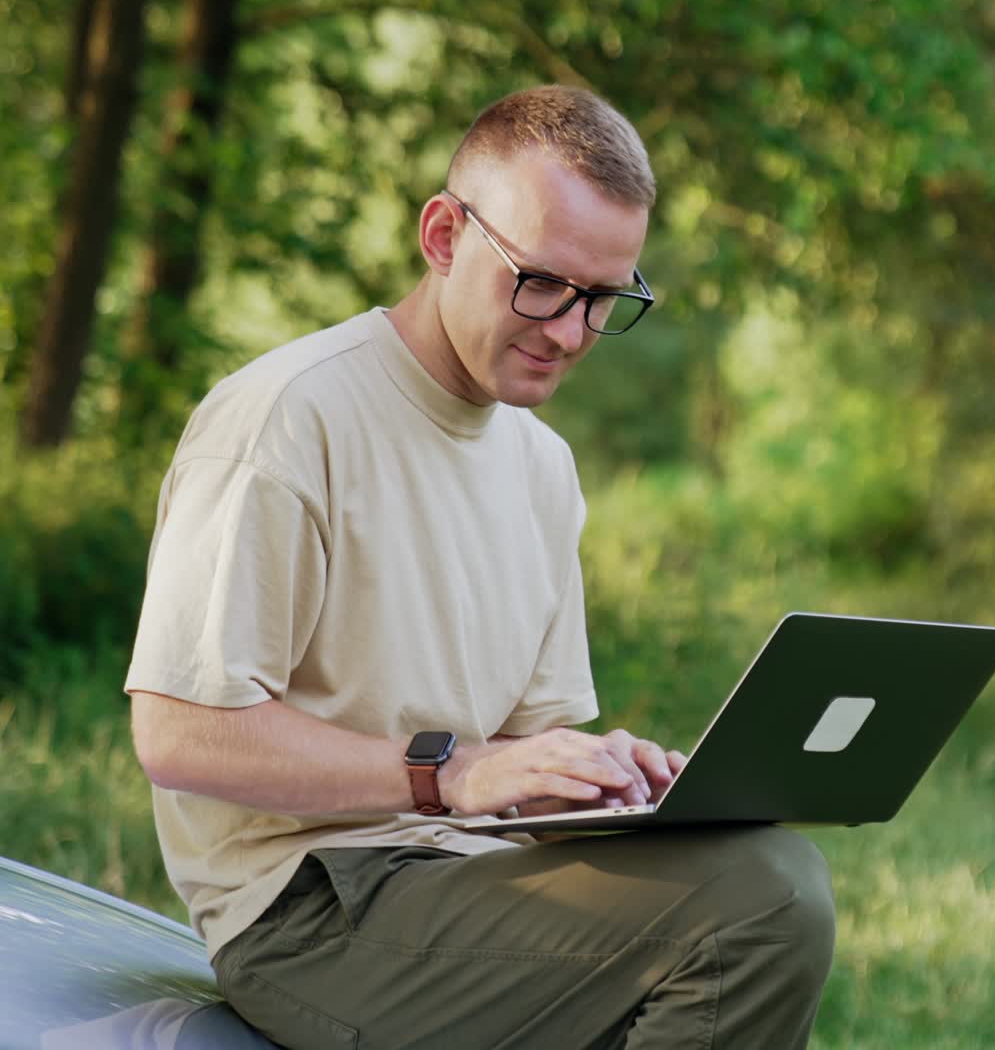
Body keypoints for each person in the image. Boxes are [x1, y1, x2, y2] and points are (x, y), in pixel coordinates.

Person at [126, 85, 836, 1050]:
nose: (570, 333)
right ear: (445, 235)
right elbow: (181, 733)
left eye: (604, 299)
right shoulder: (287, 418)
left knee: (750, 866)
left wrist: (603, 785)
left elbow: (523, 745)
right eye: (542, 283)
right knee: (765, 901)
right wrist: (447, 776)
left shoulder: (542, 466)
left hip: (460, 874)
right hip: (306, 913)